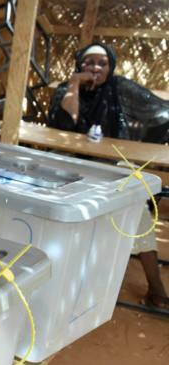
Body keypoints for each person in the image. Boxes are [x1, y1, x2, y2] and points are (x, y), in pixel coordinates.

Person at [48, 42, 169, 315]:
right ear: (79, 65)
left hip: (110, 166)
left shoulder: (120, 89)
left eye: (102, 64)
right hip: (71, 165)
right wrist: (74, 85)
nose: (95, 69)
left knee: (136, 210)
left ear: (110, 68)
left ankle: (155, 286)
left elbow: (158, 112)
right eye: (89, 63)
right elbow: (65, 124)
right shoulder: (65, 90)